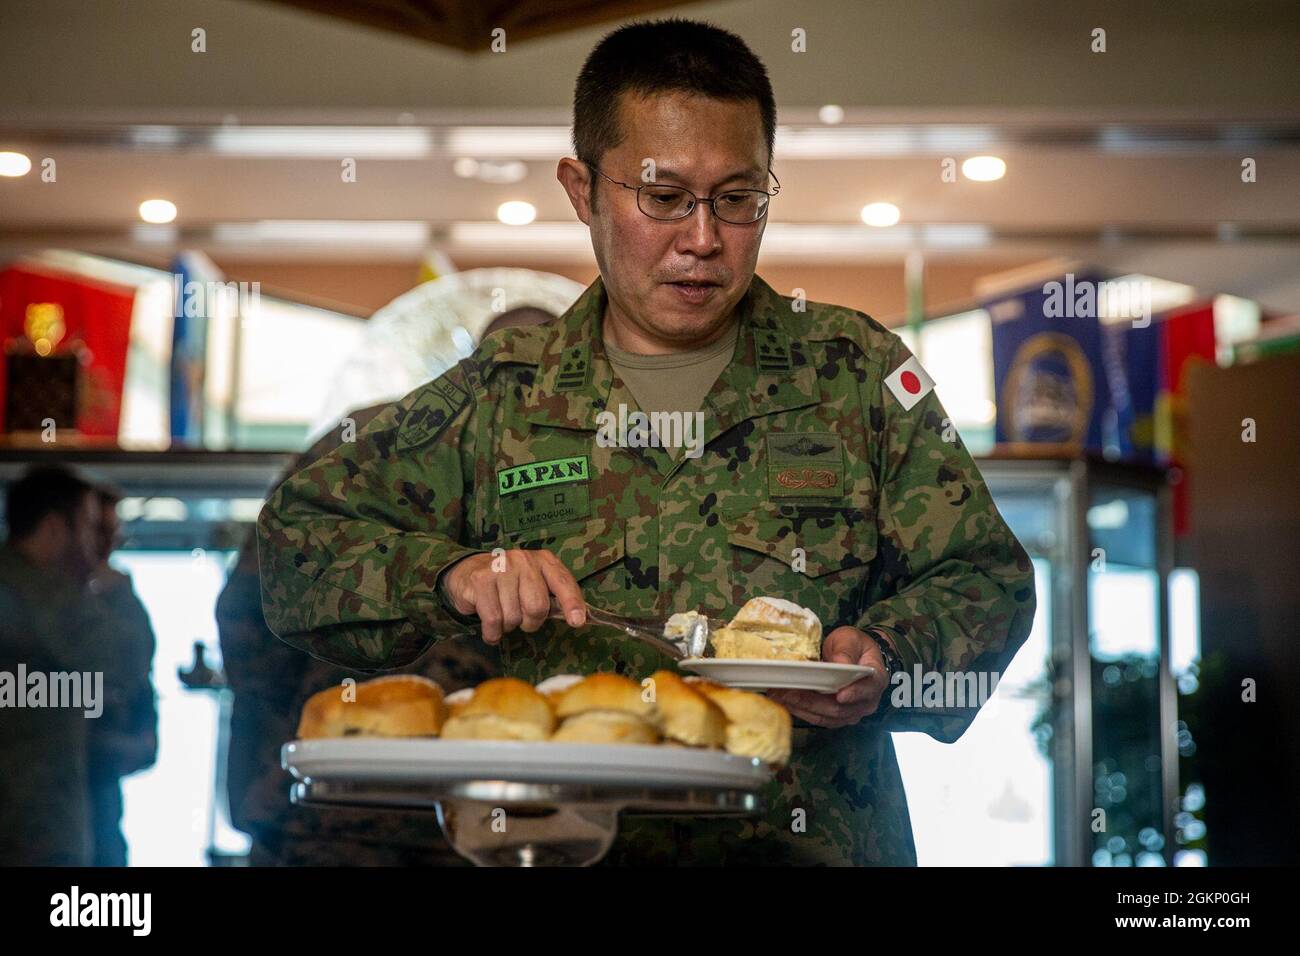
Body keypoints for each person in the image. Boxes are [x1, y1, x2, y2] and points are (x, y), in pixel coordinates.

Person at [257, 18, 1036, 865]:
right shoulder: (503, 393)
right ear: (583, 190)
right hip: (562, 850)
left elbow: (987, 578)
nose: (703, 238)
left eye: (738, 199)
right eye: (664, 198)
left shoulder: (853, 374)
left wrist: (886, 654)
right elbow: (297, 545)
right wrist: (450, 578)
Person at [222, 410, 500, 866]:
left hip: (324, 802)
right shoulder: (583, 454)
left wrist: (279, 751)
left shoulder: (363, 435)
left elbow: (247, 614)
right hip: (489, 818)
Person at [0, 465, 106, 865]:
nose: (94, 547)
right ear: (54, 529)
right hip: (28, 833)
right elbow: (119, 657)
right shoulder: (39, 594)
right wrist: (116, 591)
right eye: (88, 529)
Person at [84, 482, 158, 867]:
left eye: (113, 533)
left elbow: (137, 689)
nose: (106, 544)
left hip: (99, 810)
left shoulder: (120, 602)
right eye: (97, 530)